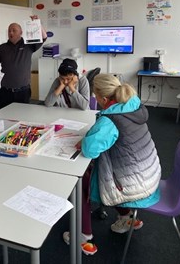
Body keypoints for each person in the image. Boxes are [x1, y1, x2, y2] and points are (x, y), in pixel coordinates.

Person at [63, 74, 161, 256]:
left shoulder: (110, 120)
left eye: (95, 97)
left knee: (81, 180)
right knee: (102, 170)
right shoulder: (132, 105)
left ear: (104, 99)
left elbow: (90, 150)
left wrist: (87, 140)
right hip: (149, 174)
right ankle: (126, 217)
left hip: (135, 184)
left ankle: (82, 234)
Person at [0, 15, 47, 110]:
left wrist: (37, 23)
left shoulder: (28, 45)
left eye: (14, 30)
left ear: (21, 32)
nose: (11, 32)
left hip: (22, 91)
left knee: (22, 118)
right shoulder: (2, 48)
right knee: (2, 115)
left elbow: (44, 37)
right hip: (5, 91)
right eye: (9, 30)